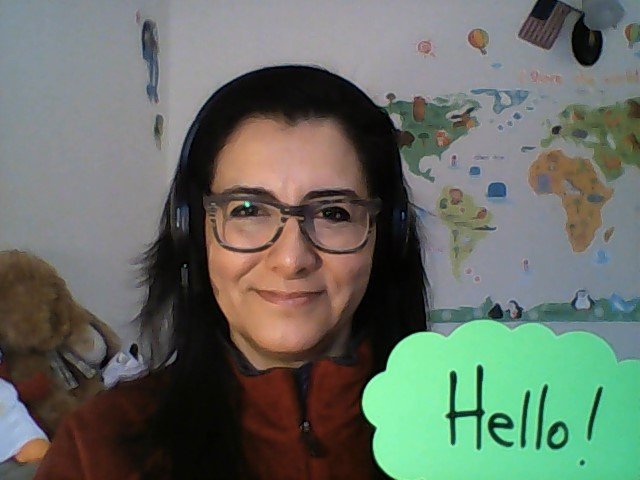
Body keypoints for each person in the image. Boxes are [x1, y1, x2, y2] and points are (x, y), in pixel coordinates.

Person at [34, 65, 429, 480]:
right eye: (248, 210)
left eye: (333, 213)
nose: (291, 259)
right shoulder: (97, 447)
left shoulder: (468, 436)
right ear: (193, 232)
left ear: (387, 236)